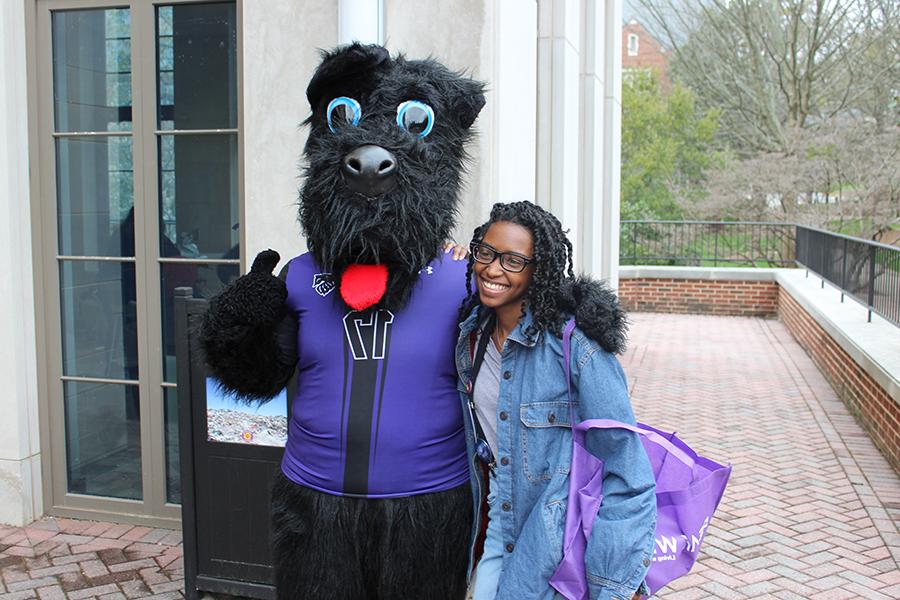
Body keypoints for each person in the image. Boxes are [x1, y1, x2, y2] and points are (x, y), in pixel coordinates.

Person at [456, 201, 657, 600]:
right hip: (500, 521)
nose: (493, 270)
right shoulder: (471, 336)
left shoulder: (575, 347)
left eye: (514, 261)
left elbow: (628, 472)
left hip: (562, 540)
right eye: (486, 253)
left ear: (539, 269)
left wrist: (612, 584)